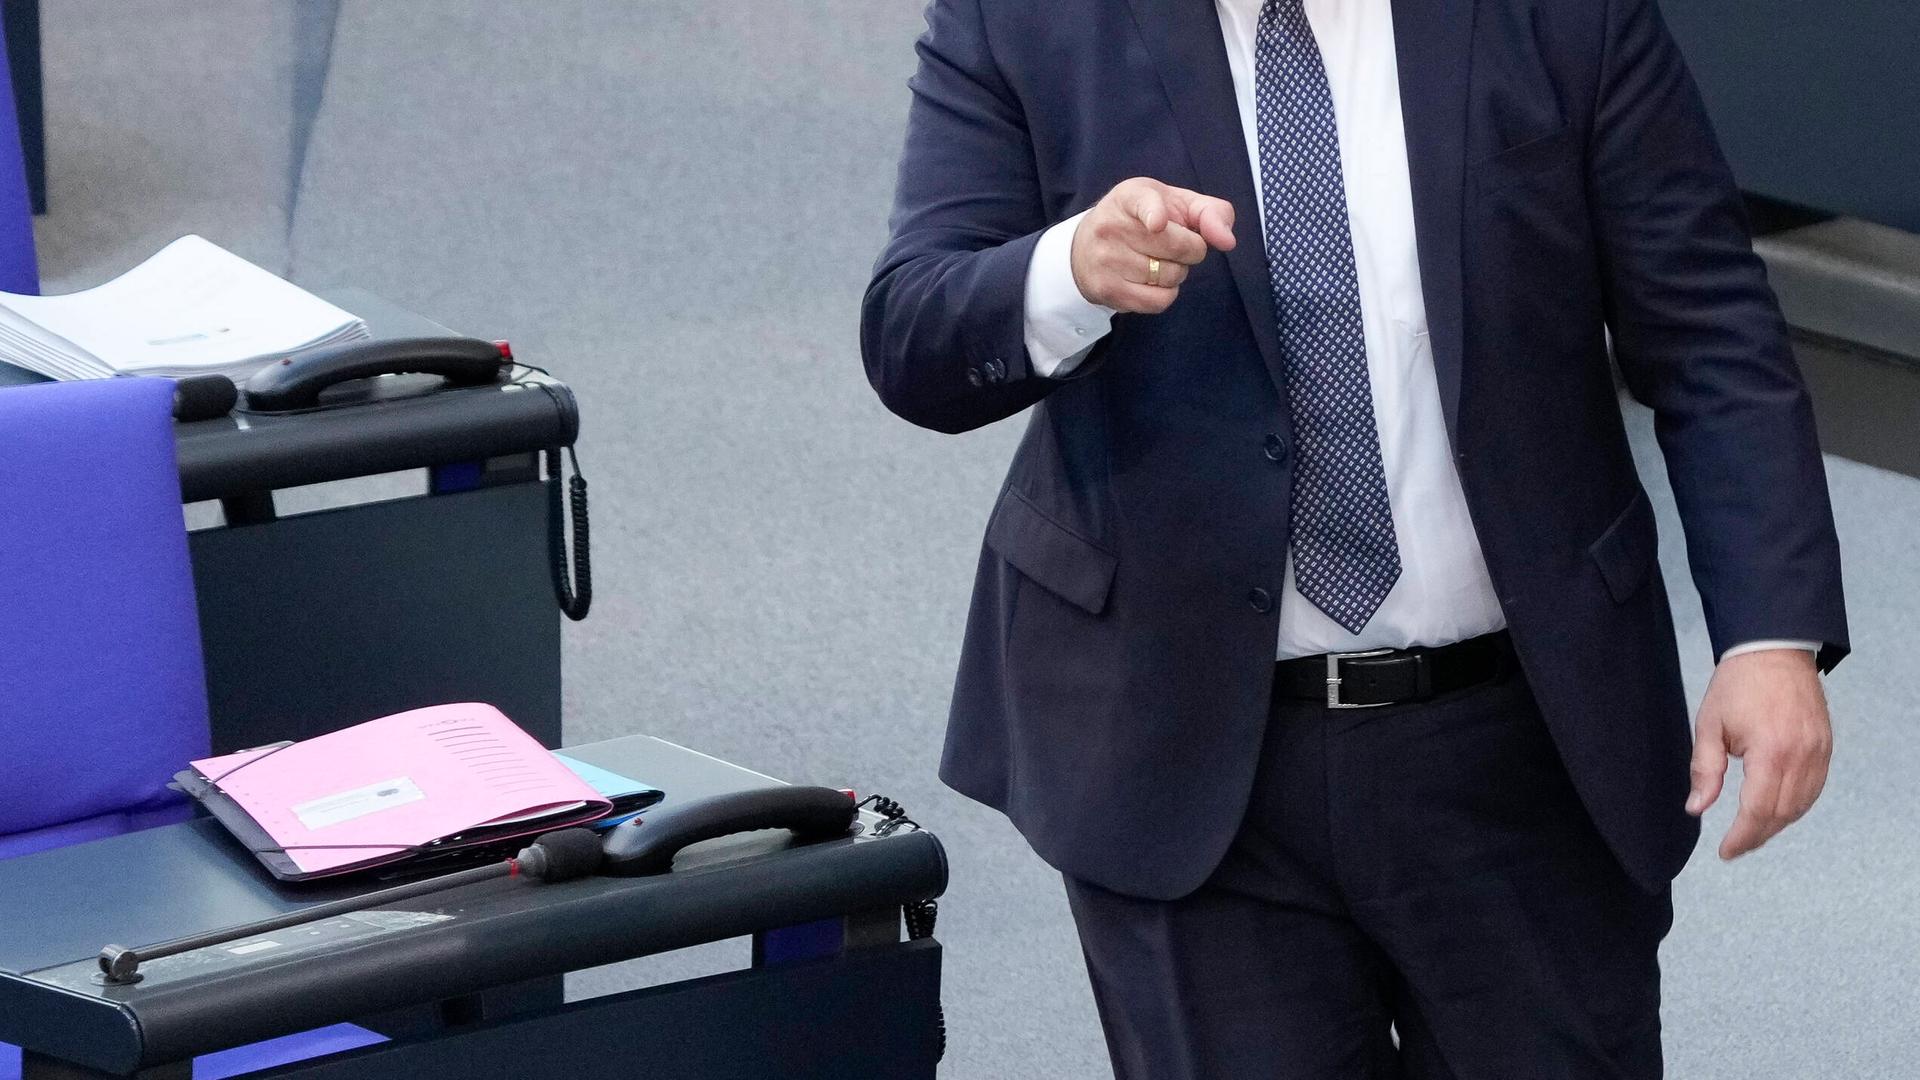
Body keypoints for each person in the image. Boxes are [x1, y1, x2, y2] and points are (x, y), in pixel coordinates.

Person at [859, 0, 1849, 1075]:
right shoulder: (1026, 18)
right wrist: (1069, 271)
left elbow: (1709, 329)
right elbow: (914, 332)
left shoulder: (1562, 15)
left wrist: (1771, 639)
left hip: (1526, 742)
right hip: (1182, 741)